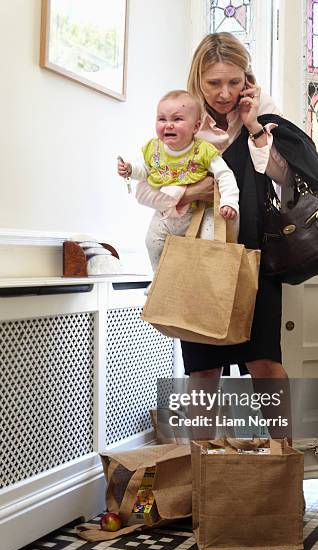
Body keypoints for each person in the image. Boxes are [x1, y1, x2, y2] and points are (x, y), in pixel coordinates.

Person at [135, 32, 293, 390]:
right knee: (203, 371)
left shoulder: (263, 108)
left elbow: (285, 177)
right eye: (214, 83)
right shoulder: (183, 115)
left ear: (247, 79)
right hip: (197, 251)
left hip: (255, 249)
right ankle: (202, 450)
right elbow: (154, 187)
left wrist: (253, 125)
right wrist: (193, 192)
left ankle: (281, 447)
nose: (225, 93)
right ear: (197, 79)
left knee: (265, 362)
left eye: (234, 82)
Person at [117, 89, 239, 271]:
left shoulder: (203, 150)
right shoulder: (153, 149)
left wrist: (229, 202)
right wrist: (130, 170)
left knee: (209, 242)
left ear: (196, 127)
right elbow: (144, 170)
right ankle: (159, 278)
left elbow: (225, 175)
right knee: (153, 242)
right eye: (162, 119)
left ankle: (205, 281)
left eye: (177, 119)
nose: (168, 125)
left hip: (199, 211)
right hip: (166, 213)